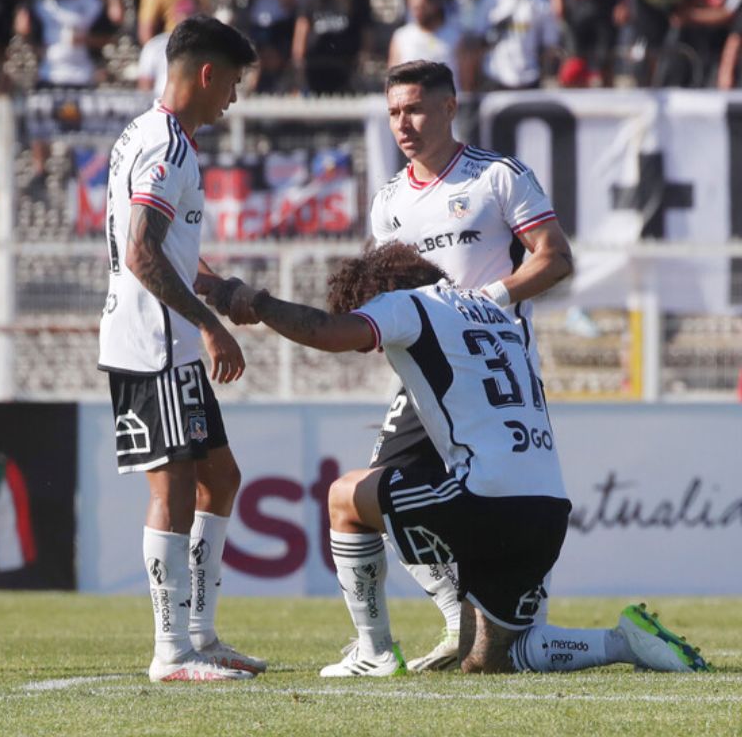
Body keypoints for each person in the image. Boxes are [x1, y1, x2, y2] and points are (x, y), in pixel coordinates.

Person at [211, 242, 711, 677]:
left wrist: (257, 303)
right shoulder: (495, 309)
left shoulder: (404, 306)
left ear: (376, 296)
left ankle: (374, 651)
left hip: (488, 500)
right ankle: (623, 642)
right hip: (549, 508)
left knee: (345, 496)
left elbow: (328, 332)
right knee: (489, 658)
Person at [364, 59, 575, 671]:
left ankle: (594, 637)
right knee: (370, 493)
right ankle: (457, 613)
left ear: (450, 107)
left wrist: (491, 299)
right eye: (395, 112)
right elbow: (387, 290)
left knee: (521, 639)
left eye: (416, 108)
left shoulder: (497, 178)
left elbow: (555, 257)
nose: (404, 123)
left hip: (496, 378)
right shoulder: (389, 202)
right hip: (429, 379)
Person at [98, 15, 264, 683]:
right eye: (231, 82)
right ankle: (171, 651)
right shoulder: (167, 145)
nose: (233, 97)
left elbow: (159, 248)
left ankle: (200, 633)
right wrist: (209, 322)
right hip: (154, 342)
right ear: (205, 73)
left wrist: (217, 287)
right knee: (172, 488)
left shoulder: (154, 137)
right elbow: (140, 251)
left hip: (171, 340)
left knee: (220, 479)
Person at [463, 0, 561, 91]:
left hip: (529, 78)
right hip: (495, 76)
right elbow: (477, 39)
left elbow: (550, 44)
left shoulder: (541, 2)